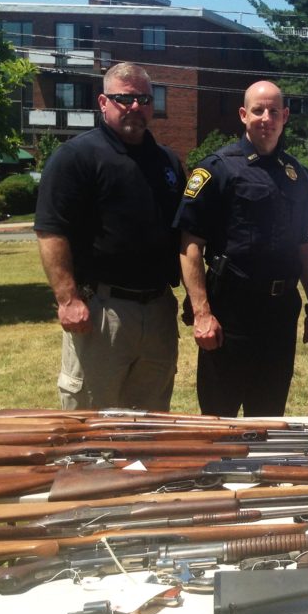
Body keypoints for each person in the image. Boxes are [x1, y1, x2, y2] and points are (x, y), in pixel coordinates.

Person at [34, 62, 185, 410]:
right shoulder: (76, 157)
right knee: (89, 419)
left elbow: (183, 236)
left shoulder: (167, 162)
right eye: (125, 99)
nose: (136, 107)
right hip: (103, 311)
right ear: (103, 102)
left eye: (144, 100)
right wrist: (68, 300)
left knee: (150, 420)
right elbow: (50, 230)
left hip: (159, 308)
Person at [174, 81, 308, 417]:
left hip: (280, 313)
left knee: (268, 415)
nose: (266, 117)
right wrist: (202, 313)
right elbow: (190, 244)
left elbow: (307, 245)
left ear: (285, 116)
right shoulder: (218, 169)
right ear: (244, 115)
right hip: (230, 313)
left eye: (273, 111)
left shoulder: (297, 175)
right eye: (258, 110)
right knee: (219, 417)